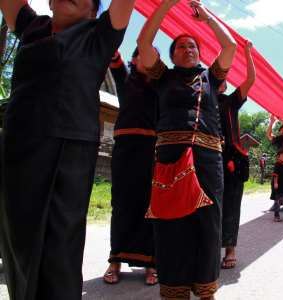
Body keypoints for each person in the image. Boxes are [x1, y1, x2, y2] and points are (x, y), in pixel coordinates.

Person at [0, 0, 135, 298]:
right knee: (17, 242)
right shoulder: (31, 27)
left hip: (69, 147)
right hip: (17, 146)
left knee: (59, 246)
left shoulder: (99, 34)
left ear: (93, 11)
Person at [137, 0, 236, 299]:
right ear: (171, 55)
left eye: (193, 45)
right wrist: (167, 6)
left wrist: (205, 17)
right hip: (169, 157)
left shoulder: (211, 77)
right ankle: (174, 290)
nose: (188, 49)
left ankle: (206, 290)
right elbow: (143, 41)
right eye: (181, 46)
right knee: (171, 223)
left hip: (208, 158)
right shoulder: (162, 76)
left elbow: (229, 46)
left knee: (208, 224)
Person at [103, 48, 158, 285]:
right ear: (134, 60)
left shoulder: (161, 85)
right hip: (125, 149)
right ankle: (115, 260)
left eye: (152, 56)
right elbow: (111, 47)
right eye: (143, 55)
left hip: (153, 150)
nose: (147, 59)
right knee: (122, 204)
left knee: (150, 205)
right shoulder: (124, 76)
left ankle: (150, 264)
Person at [219, 39, 255, 270]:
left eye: (223, 77)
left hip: (230, 162)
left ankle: (230, 250)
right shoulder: (198, 101)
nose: (221, 80)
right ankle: (207, 249)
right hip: (205, 160)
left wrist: (246, 52)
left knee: (231, 205)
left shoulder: (230, 102)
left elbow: (250, 79)